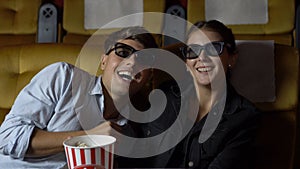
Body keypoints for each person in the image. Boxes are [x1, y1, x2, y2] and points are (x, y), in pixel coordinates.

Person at [0, 26, 158, 168]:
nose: (131, 62)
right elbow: (7, 138)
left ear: (148, 76)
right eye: (122, 52)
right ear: (103, 61)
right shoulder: (63, 77)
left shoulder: (135, 128)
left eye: (143, 59)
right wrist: (87, 138)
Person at [139, 20, 261, 169]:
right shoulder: (164, 96)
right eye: (193, 50)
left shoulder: (244, 117)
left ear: (231, 58)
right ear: (186, 63)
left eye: (214, 48)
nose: (202, 58)